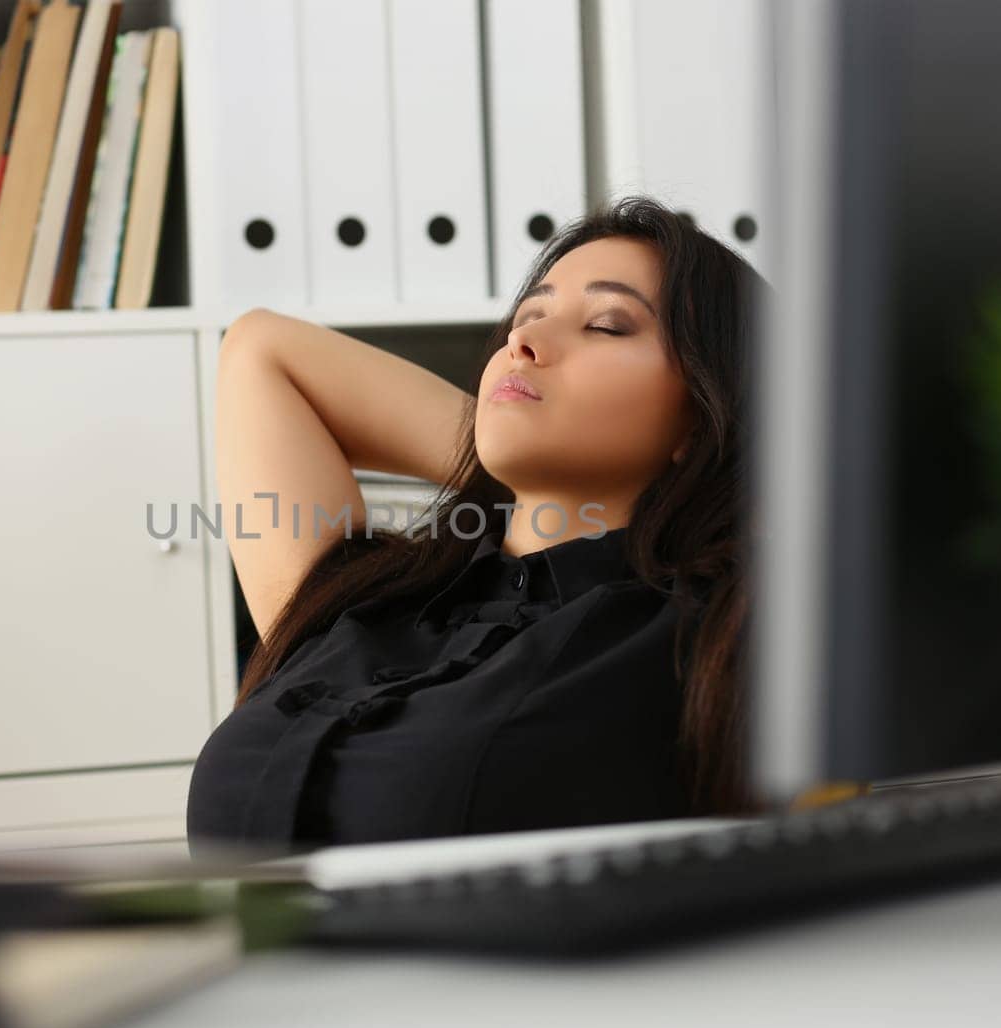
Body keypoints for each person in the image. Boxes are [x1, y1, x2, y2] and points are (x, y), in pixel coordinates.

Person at [185, 196, 770, 860]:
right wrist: (497, 454)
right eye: (529, 316)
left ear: (705, 416)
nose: (524, 342)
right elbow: (258, 346)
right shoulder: (364, 604)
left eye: (607, 325)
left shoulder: (713, 641)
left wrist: (722, 468)